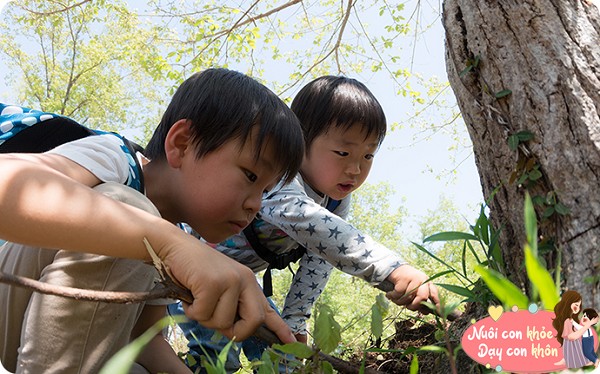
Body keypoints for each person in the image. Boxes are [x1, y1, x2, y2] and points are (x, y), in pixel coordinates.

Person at [0, 68, 303, 373]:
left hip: (49, 338)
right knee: (131, 211)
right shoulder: (114, 159)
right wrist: (166, 243)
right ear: (182, 143)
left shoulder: (175, 230)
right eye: (250, 176)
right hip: (9, 299)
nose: (256, 204)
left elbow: (144, 339)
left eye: (265, 189)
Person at [168, 75, 440, 372]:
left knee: (281, 355)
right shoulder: (279, 180)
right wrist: (389, 267)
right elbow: (311, 223)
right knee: (216, 355)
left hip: (241, 280)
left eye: (368, 155)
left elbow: (320, 258)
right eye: (343, 153)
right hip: (189, 269)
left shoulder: (335, 200)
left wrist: (296, 317)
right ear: (300, 142)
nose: (356, 168)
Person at [552, 290, 599, 369]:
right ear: (568, 303)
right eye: (576, 305)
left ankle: (586, 361)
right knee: (581, 353)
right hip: (572, 343)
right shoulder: (567, 320)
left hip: (576, 344)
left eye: (579, 306)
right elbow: (571, 337)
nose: (577, 308)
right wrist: (588, 325)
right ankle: (570, 361)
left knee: (584, 353)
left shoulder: (571, 319)